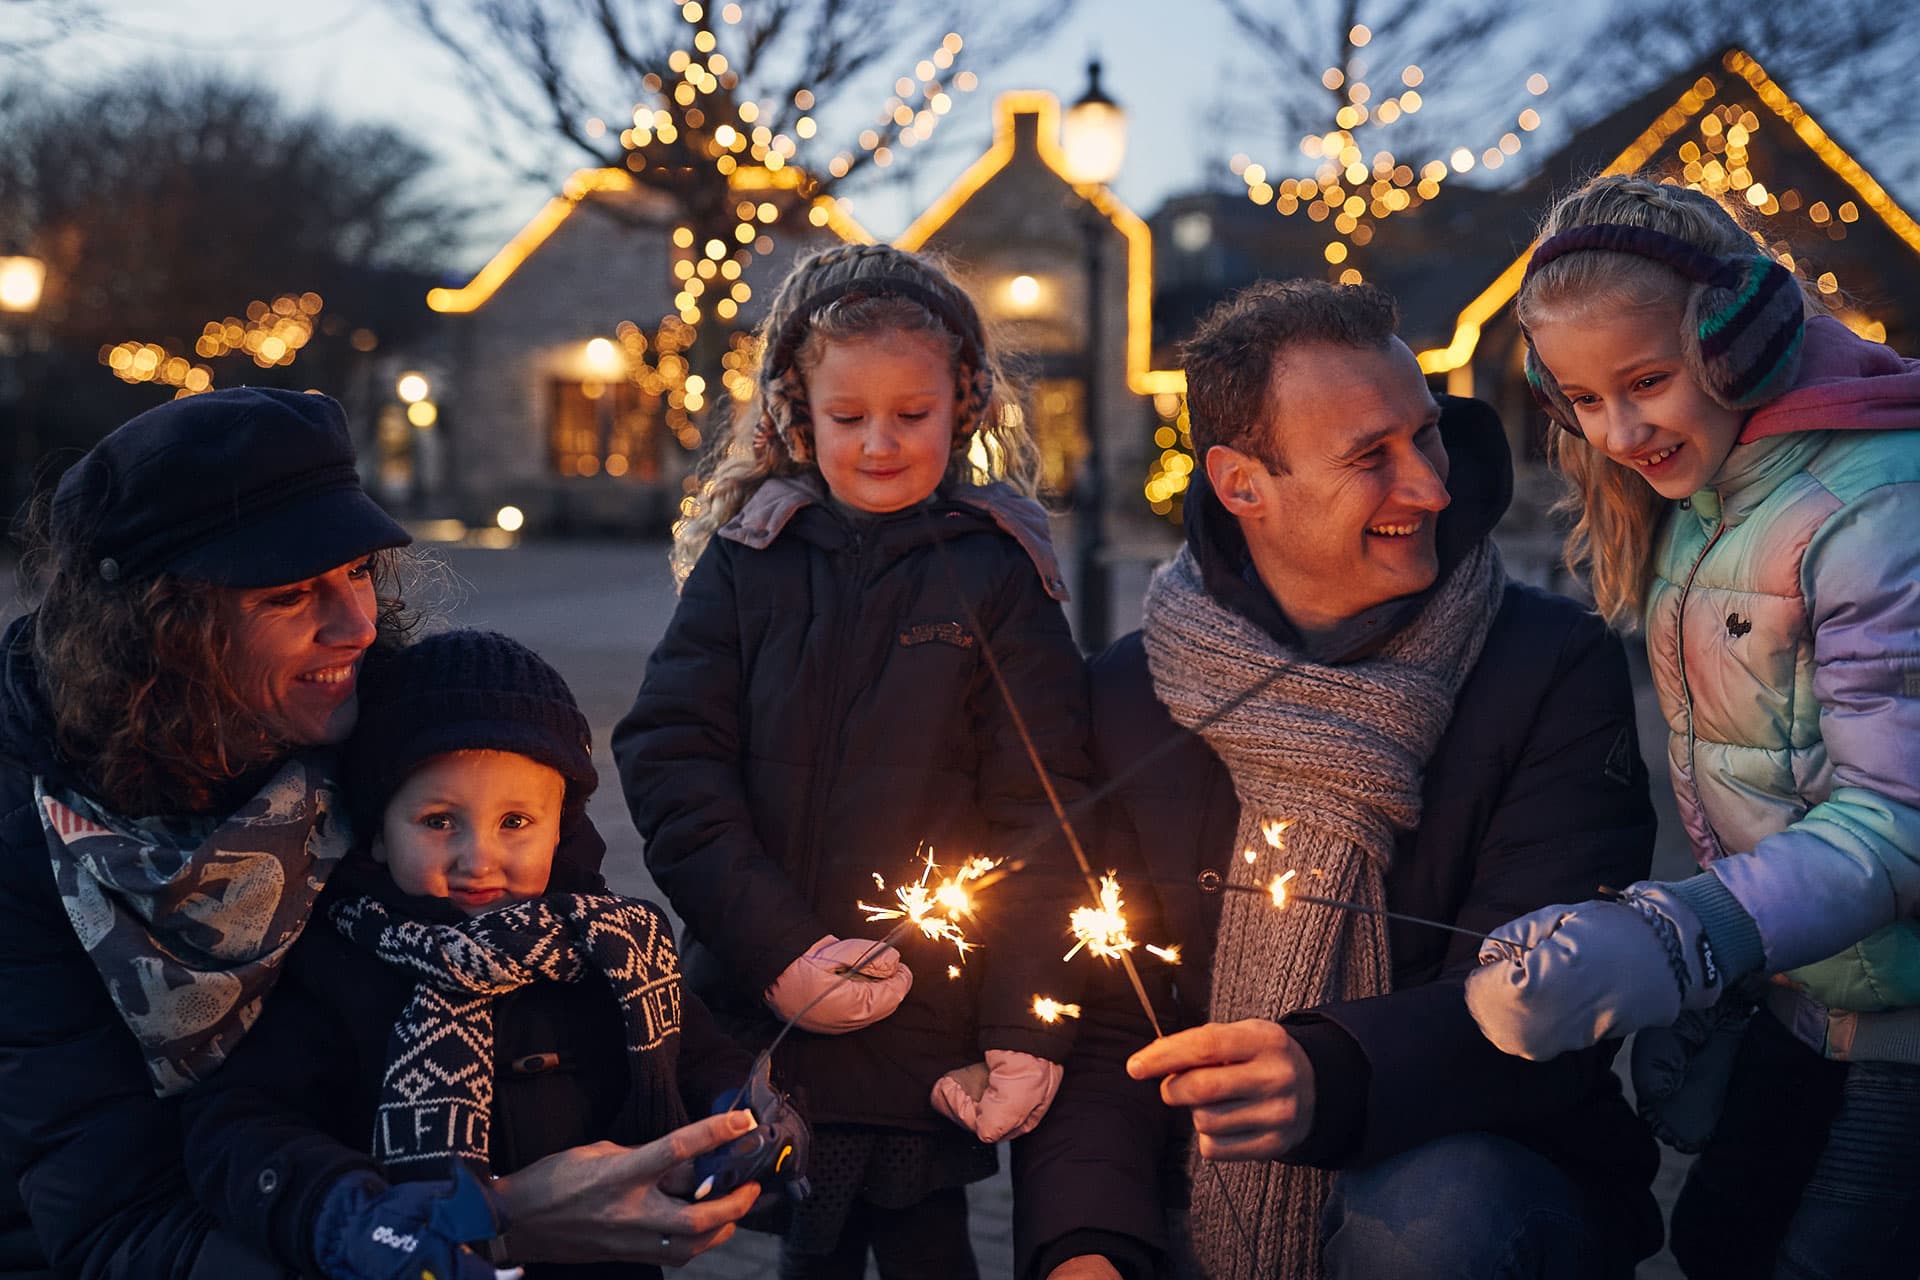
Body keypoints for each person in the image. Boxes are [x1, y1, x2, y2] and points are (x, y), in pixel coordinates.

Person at [0, 389, 760, 1280]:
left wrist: (705, 1129)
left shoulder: (430, 738)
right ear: (165, 628)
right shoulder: (36, 851)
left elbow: (567, 961)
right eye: (291, 594)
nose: (357, 624)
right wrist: (477, 1228)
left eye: (358, 571)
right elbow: (111, 1223)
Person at [1013, 279, 1662, 1280]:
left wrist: (1339, 1071)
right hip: (1198, 1193)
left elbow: (1561, 993)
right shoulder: (1129, 694)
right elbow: (1096, 1016)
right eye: (1371, 457)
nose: (1433, 488)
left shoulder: (1551, 665)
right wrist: (1085, 1243)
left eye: (1429, 435)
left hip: (1480, 1187)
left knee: (1439, 1215)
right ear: (1242, 485)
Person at [1464, 174, 1920, 1279]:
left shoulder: (1873, 507)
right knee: (1718, 1238)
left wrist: (1681, 935)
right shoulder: (1707, 500)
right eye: (1578, 396)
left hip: (1906, 1029)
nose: (1616, 431)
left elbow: (1902, 816)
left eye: (1647, 381)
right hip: (1808, 998)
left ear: (1743, 342)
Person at [614, 243, 1091, 1280]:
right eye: (848, 417)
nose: (880, 443)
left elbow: (1047, 811)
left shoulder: (998, 571)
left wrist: (1024, 1023)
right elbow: (670, 757)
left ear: (962, 407)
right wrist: (779, 951)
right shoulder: (750, 562)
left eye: (911, 415)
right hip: (779, 1007)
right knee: (812, 1250)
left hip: (935, 1017)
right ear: (797, 413)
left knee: (929, 1249)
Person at [180, 627, 786, 1280]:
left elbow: (696, 1053)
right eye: (439, 821)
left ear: (562, 826)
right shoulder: (336, 961)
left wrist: (740, 1115)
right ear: (379, 833)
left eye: (516, 822)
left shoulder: (613, 951)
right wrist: (350, 1216)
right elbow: (245, 1128)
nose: (480, 858)